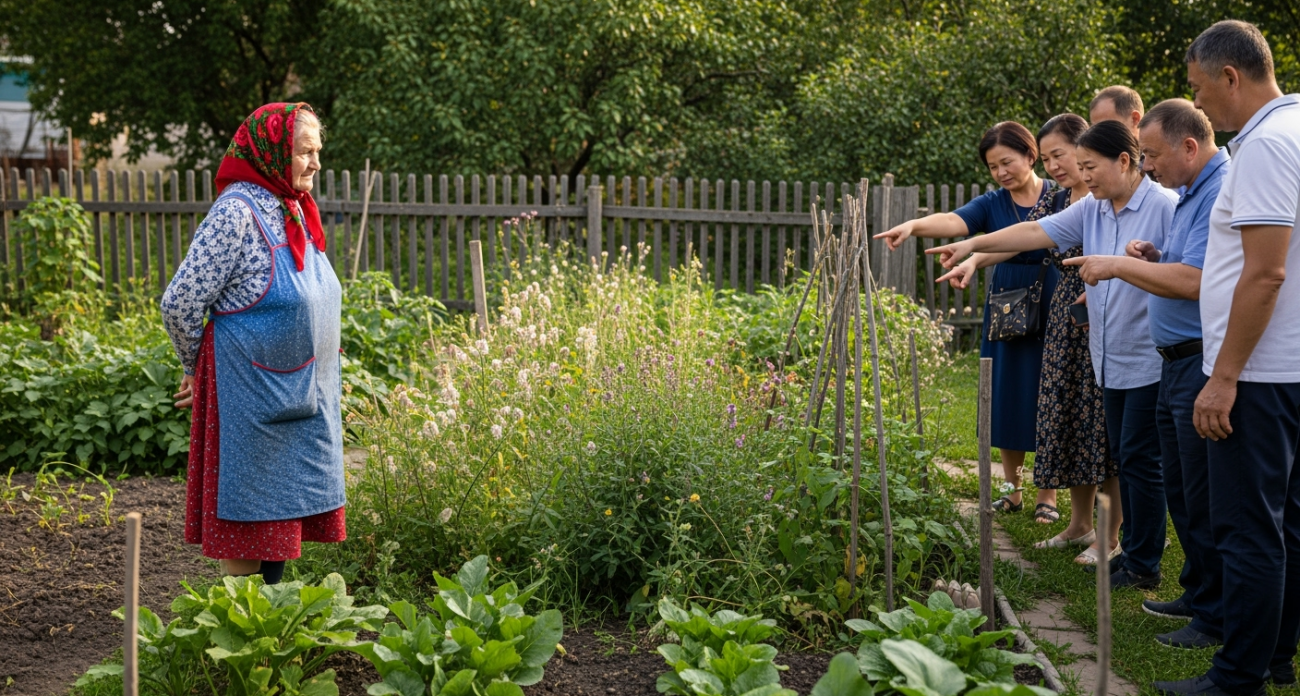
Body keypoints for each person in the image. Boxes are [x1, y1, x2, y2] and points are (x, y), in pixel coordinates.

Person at [928, 120, 1178, 589]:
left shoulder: (1164, 206)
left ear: (1124, 162)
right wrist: (973, 245)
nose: (1083, 177)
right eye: (1078, 166)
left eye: (1089, 166)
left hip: (1149, 355)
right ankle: (1133, 553)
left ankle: (1143, 561)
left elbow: (1188, 270)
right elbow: (1033, 232)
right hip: (1108, 354)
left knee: (1141, 463)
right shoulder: (1095, 210)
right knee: (1125, 455)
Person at [1153, 20, 1300, 696]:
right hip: (1286, 366)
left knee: (1247, 530)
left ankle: (1237, 675)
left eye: (1200, 88)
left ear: (1231, 77)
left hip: (1261, 373)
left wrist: (1224, 376)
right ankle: (1274, 658)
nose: (1201, 103)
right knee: (1283, 525)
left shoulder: (1266, 145)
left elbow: (1265, 273)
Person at [1065, 99, 1228, 650]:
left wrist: (1119, 264)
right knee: (1179, 484)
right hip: (1168, 357)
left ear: (1186, 146)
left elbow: (1199, 281)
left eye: (1151, 154)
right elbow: (1180, 264)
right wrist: (1154, 256)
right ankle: (1195, 588)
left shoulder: (1208, 191)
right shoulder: (1189, 196)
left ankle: (1209, 608)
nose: (1149, 163)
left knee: (1194, 489)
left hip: (1189, 359)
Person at [161, 103, 345, 583]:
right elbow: (180, 302)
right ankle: (240, 645)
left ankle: (265, 643)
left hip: (302, 394)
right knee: (250, 524)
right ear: (272, 152)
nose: (316, 163)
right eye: (306, 152)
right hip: (251, 397)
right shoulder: (236, 214)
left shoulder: (294, 206)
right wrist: (194, 363)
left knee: (279, 522)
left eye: (318, 152)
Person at [938, 114, 1119, 560]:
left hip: (1095, 319)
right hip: (1062, 323)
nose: (1057, 164)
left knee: (1100, 431)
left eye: (1062, 155)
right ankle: (1078, 524)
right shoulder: (1060, 201)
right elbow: (1022, 237)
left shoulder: (1101, 200)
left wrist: (972, 249)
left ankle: (1113, 533)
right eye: (1052, 156)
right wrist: (973, 255)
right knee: (1065, 419)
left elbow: (1033, 239)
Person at [876, 122, 1060, 521]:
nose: (1001, 173)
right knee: (1009, 393)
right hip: (1009, 302)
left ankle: (1048, 494)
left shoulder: (1060, 196)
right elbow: (953, 221)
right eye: (993, 166)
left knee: (1049, 393)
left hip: (1053, 297)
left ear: (1031, 156)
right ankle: (1013, 490)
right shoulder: (992, 203)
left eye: (1007, 162)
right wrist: (913, 227)